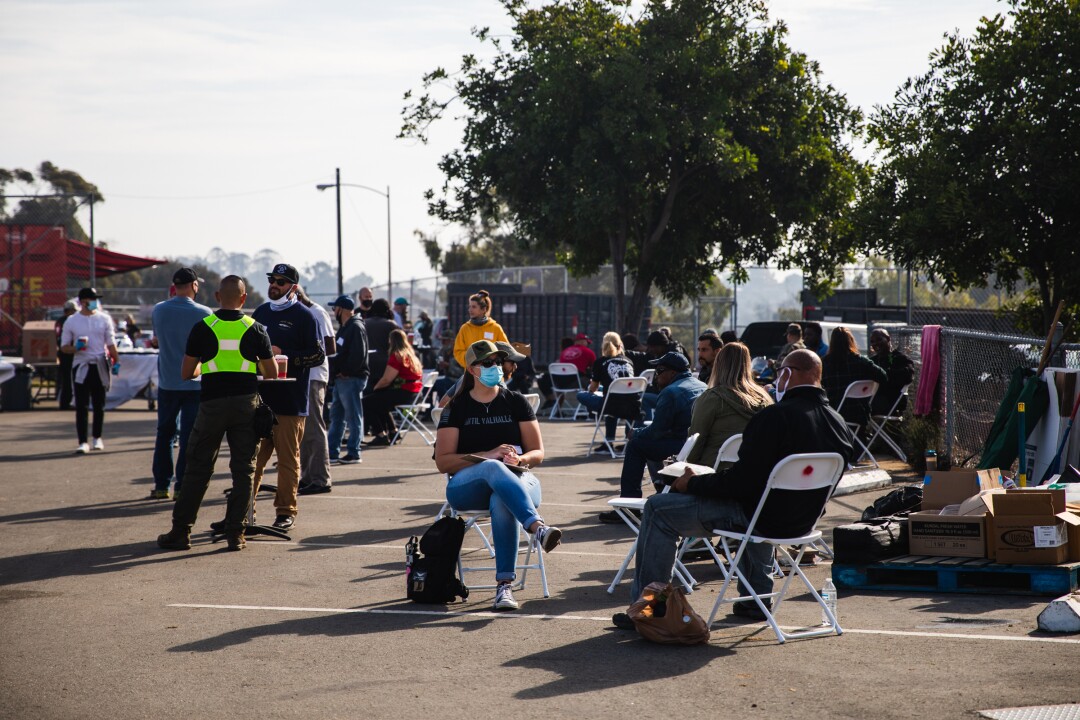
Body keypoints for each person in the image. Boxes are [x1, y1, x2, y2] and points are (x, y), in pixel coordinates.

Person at [611, 349, 855, 629]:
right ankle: (757, 600)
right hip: (803, 523)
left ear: (787, 374)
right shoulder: (839, 424)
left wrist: (693, 483)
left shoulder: (775, 418)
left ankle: (650, 608)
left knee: (657, 509)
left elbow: (740, 484)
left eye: (780, 373)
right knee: (765, 499)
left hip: (757, 518)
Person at [435, 339, 563, 611]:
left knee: (501, 500)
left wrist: (520, 459)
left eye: (499, 362)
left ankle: (504, 587)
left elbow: (537, 453)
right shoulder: (456, 408)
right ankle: (538, 528)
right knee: (494, 467)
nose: (497, 367)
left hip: (519, 479)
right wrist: (489, 454)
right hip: (467, 484)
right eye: (488, 363)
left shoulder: (515, 402)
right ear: (472, 370)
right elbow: (443, 462)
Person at [156, 275, 277, 552]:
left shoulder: (203, 327)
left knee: (197, 468)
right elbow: (270, 373)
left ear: (217, 298)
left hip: (211, 405)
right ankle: (236, 534)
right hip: (246, 405)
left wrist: (206, 368)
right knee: (244, 470)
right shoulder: (256, 329)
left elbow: (187, 373)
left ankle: (181, 531)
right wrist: (249, 366)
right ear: (244, 299)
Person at [250, 263, 326, 532]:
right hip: (260, 401)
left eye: (281, 282)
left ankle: (285, 512)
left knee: (287, 461)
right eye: (272, 279)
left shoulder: (306, 316)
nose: (274, 285)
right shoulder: (259, 312)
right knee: (251, 461)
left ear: (293, 287)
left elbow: (318, 355)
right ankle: (245, 512)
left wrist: (285, 354)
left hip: (291, 402)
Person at [598, 351, 707, 523]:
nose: (656, 375)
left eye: (660, 370)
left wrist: (635, 432)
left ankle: (629, 507)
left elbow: (657, 431)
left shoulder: (671, 392)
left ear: (672, 372)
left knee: (637, 444)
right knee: (650, 442)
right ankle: (661, 489)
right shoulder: (701, 385)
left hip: (681, 445)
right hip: (697, 445)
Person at [149, 267, 212, 499]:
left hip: (167, 381)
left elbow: (157, 340)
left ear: (174, 286)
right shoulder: (205, 313)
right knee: (189, 436)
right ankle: (182, 485)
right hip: (195, 383)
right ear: (194, 286)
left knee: (164, 433)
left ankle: (161, 485)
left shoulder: (159, 310)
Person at [685, 342, 773, 469]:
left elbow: (695, 443)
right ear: (747, 365)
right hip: (754, 472)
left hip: (712, 473)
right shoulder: (765, 399)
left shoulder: (712, 398)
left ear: (719, 365)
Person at [60, 287, 119, 454]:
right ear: (83, 301)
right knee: (81, 405)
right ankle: (82, 441)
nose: (95, 302)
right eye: (92, 299)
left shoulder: (104, 319)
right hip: (81, 366)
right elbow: (64, 347)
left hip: (99, 364)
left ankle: (97, 437)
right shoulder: (71, 321)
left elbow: (110, 343)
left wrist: (116, 361)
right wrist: (76, 348)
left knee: (99, 404)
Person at [296, 286, 338, 496]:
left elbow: (331, 347)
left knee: (314, 426)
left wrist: (304, 352)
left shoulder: (317, 312)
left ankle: (321, 479)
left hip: (314, 376)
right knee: (303, 430)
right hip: (301, 376)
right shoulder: (301, 312)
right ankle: (307, 476)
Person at [326, 294, 369, 465]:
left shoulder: (355, 327)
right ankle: (332, 452)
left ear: (342, 309)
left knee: (352, 416)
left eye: (334, 308)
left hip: (351, 379)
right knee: (337, 417)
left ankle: (354, 452)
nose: (333, 311)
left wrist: (346, 371)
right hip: (341, 380)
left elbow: (358, 355)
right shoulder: (345, 327)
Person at [821, 326, 888, 432]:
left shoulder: (824, 363)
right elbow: (883, 376)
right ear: (851, 341)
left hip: (832, 414)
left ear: (832, 342)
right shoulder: (861, 361)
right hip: (859, 414)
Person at [363, 329, 423, 446]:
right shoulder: (411, 356)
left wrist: (375, 388)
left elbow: (386, 379)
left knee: (365, 402)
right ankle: (393, 432)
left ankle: (380, 434)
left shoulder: (397, 356)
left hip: (404, 392)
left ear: (391, 341)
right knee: (379, 402)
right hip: (414, 393)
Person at [576, 332, 636, 445]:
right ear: (620, 346)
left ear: (603, 346)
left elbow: (593, 389)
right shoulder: (629, 361)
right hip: (632, 405)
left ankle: (608, 442)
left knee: (581, 395)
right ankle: (630, 443)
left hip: (611, 405)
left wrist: (590, 389)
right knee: (610, 394)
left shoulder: (600, 362)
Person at [452, 289, 509, 369]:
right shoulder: (464, 328)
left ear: (483, 309)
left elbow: (506, 350)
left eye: (474, 307)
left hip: (493, 375)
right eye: (470, 306)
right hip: (471, 375)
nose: (470, 310)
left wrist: (493, 361)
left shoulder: (496, 328)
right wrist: (472, 361)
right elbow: (458, 352)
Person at [868, 328, 915, 416]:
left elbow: (908, 376)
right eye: (872, 342)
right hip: (873, 400)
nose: (875, 344)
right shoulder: (872, 361)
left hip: (892, 403)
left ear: (888, 339)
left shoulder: (901, 359)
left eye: (879, 339)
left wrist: (882, 374)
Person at [364, 298, 399, 394]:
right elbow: (398, 345)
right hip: (386, 366)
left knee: (367, 396)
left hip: (366, 364)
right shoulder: (391, 325)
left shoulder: (364, 323)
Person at [54, 300, 77, 409]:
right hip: (70, 351)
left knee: (65, 378)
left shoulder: (59, 321)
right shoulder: (70, 321)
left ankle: (64, 401)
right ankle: (67, 402)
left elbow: (56, 336)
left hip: (62, 352)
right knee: (71, 378)